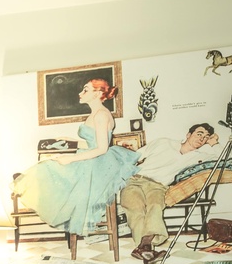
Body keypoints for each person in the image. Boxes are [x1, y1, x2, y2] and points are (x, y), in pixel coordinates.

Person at [13, 78, 140, 241]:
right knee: (50, 166)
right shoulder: (95, 113)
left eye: (85, 90)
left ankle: (27, 183)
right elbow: (91, 143)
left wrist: (71, 159)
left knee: (50, 169)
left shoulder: (101, 114)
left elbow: (102, 148)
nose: (80, 93)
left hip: (99, 164)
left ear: (98, 93)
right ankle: (29, 184)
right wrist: (68, 140)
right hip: (91, 159)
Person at [119, 123, 220, 264]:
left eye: (206, 137)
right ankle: (146, 249)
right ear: (188, 135)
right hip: (134, 180)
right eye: (199, 133)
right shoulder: (164, 143)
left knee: (155, 206)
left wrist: (213, 143)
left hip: (158, 187)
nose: (202, 138)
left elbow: (223, 156)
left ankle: (143, 247)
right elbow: (135, 156)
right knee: (135, 207)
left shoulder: (199, 156)